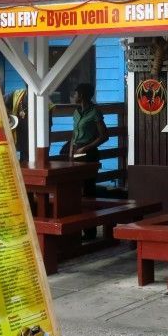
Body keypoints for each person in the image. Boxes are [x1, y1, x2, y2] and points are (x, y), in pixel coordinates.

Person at [63, 83, 108, 240]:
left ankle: (90, 231)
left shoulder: (95, 112)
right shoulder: (76, 112)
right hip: (76, 152)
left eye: (75, 94)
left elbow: (104, 136)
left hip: (88, 154)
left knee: (88, 190)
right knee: (76, 189)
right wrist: (70, 152)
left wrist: (86, 148)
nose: (73, 97)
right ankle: (76, 229)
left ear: (81, 95)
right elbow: (73, 134)